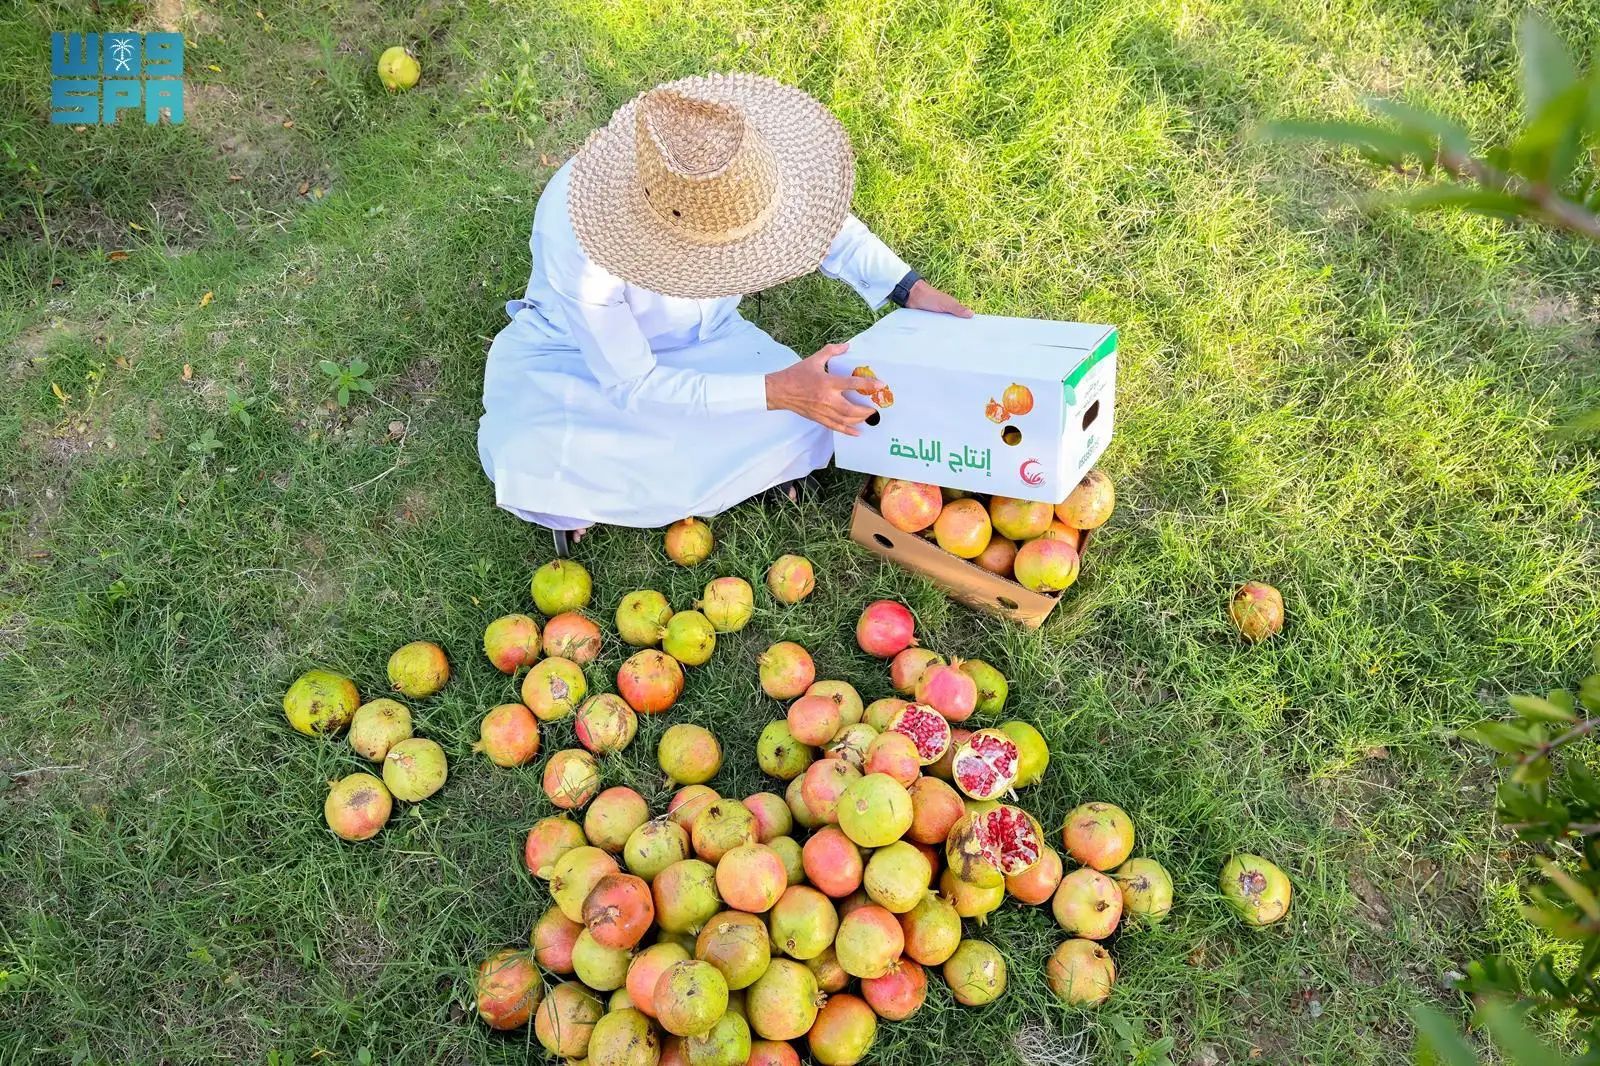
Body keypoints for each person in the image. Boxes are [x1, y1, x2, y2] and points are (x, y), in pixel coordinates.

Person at [477, 72, 971, 555]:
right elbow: (632, 384)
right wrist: (776, 391)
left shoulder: (740, 165)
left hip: (714, 340)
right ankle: (631, 480)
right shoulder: (580, 234)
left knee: (824, 413)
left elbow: (826, 224)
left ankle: (707, 467)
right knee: (529, 454)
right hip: (581, 357)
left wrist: (909, 289)